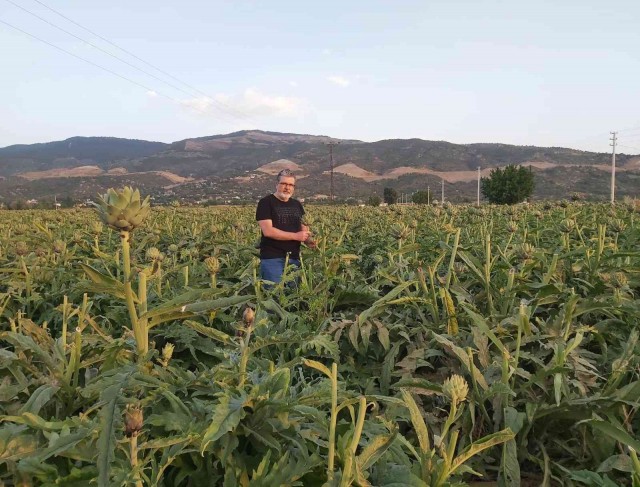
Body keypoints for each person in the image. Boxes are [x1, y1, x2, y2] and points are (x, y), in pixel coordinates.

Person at [255, 169, 312, 285]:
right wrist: (296, 236)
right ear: (277, 184)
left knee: (292, 297)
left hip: (294, 259)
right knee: (274, 295)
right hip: (272, 258)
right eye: (284, 184)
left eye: (291, 185)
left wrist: (311, 242)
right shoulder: (266, 203)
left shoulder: (297, 205)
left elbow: (303, 229)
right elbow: (268, 231)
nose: (287, 187)